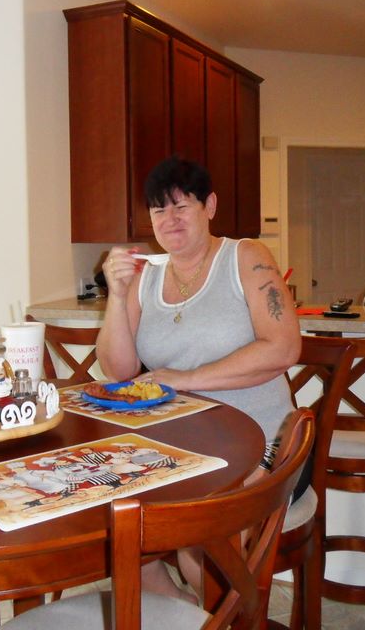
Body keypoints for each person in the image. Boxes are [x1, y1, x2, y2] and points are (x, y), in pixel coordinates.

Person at [96, 156, 301, 600]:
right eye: (158, 210)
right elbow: (118, 370)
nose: (169, 219)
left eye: (181, 206)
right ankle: (194, 613)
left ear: (209, 206)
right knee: (117, 520)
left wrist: (188, 378)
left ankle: (223, 614)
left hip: (261, 440)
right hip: (179, 443)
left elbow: (284, 347)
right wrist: (117, 295)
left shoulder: (246, 257)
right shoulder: (147, 275)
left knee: (200, 539)